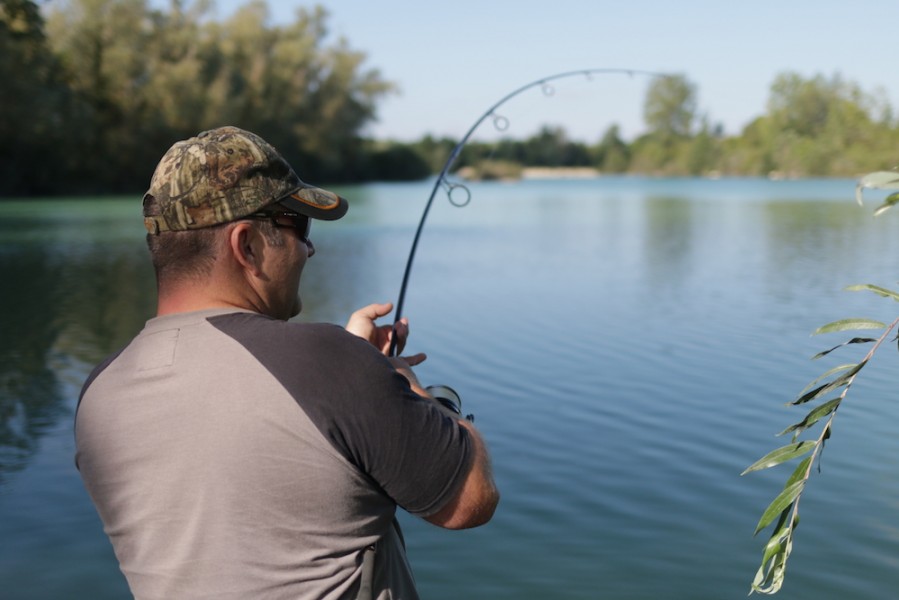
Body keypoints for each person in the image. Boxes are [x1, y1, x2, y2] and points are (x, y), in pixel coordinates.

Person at [74, 126, 499, 600]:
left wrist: (355, 373)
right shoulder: (329, 364)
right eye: (299, 227)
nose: (309, 249)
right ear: (247, 245)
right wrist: (409, 388)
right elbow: (470, 500)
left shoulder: (99, 394)